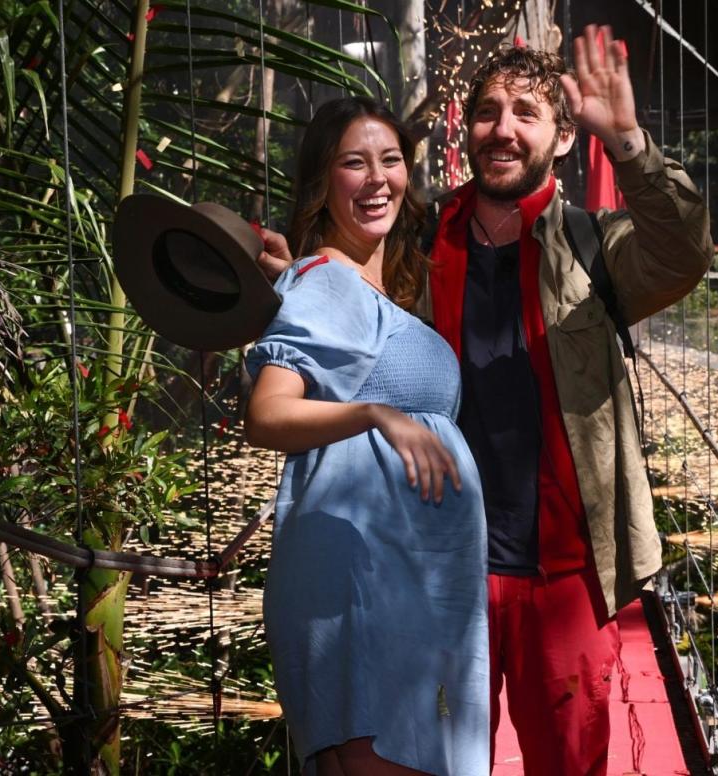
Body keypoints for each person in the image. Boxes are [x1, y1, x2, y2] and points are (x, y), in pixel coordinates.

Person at [258, 25, 712, 774]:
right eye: (488, 111)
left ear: (563, 138)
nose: (503, 129)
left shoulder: (597, 248)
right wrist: (277, 271)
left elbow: (684, 251)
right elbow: (340, 289)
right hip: (434, 566)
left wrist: (627, 139)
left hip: (563, 572)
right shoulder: (420, 243)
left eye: (526, 113)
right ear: (465, 131)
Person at [243, 96, 490, 776]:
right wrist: (375, 415)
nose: (378, 178)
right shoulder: (325, 282)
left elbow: (337, 344)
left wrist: (296, 279)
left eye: (391, 160)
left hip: (403, 582)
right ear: (325, 182)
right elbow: (268, 413)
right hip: (364, 589)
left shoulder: (344, 286)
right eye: (355, 163)